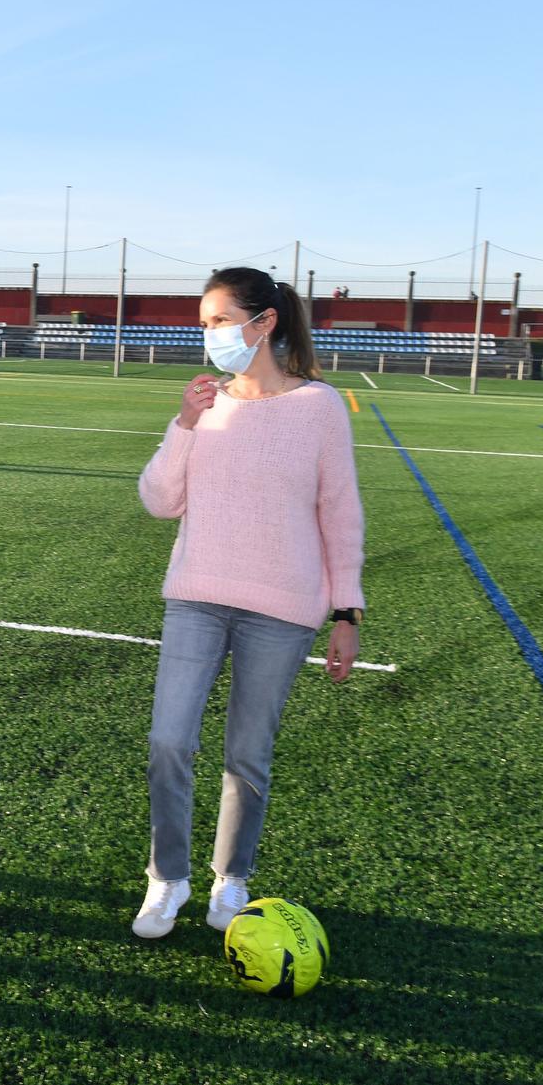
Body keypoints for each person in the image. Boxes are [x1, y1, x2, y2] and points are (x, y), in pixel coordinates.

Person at [131, 266, 364, 940]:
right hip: (196, 597)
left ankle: (232, 876)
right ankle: (166, 878)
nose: (207, 334)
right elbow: (158, 500)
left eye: (217, 320)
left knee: (247, 751)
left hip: (283, 607)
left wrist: (345, 611)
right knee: (168, 739)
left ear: (262, 324)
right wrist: (182, 423)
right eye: (203, 321)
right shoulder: (205, 405)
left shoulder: (318, 407)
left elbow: (339, 511)